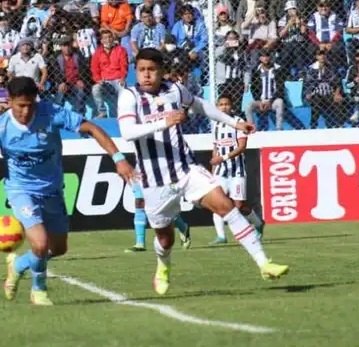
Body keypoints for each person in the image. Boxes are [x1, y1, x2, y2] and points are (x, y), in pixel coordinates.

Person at [118, 48, 287, 294]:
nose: (146, 75)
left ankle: (264, 264)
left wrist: (234, 122)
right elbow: (127, 132)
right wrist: (164, 122)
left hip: (186, 169)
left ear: (162, 71)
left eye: (152, 70)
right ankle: (163, 266)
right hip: (154, 180)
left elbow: (200, 105)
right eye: (141, 70)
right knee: (165, 239)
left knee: (226, 205)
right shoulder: (129, 96)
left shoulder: (175, 90)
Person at [0, 76, 132, 306]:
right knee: (39, 243)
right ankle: (38, 290)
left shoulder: (51, 113)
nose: (26, 111)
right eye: (20, 106)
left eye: (30, 105)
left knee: (58, 248)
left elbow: (92, 128)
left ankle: (18, 264)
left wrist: (118, 159)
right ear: (9, 102)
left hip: (53, 189)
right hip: (21, 191)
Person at [207, 94, 262, 245]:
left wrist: (223, 158)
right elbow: (216, 148)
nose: (224, 107)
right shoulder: (215, 124)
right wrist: (213, 170)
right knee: (217, 202)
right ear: (217, 107)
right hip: (221, 171)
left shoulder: (239, 122)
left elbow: (242, 147)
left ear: (231, 106)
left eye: (227, 104)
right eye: (221, 104)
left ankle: (258, 224)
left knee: (239, 205)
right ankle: (221, 236)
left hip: (237, 170)